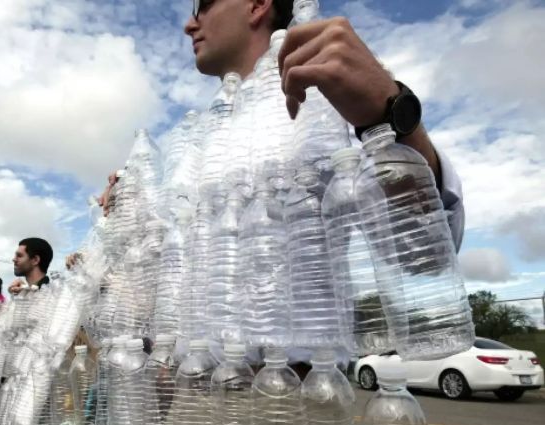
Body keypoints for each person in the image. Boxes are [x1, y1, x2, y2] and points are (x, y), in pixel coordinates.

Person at [98, 0, 464, 248]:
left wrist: (389, 114)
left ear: (258, 4)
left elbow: (426, 246)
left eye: (204, 4)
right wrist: (134, 212)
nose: (189, 24)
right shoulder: (206, 136)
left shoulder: (328, 92)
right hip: (201, 364)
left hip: (301, 363)